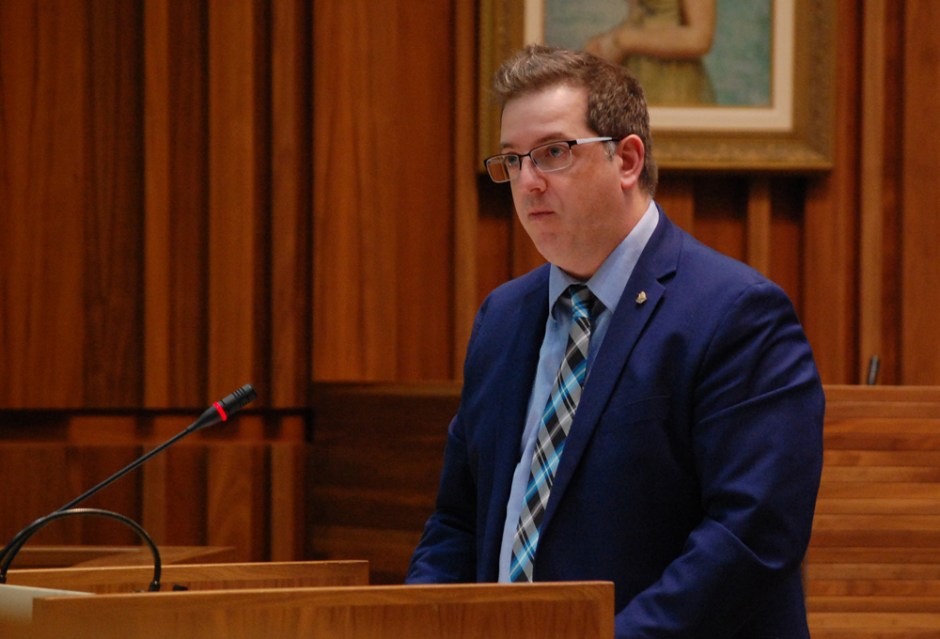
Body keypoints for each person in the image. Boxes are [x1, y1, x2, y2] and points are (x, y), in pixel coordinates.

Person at [406, 44, 824, 638]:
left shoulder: (736, 314)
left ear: (627, 159)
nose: (527, 183)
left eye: (552, 153)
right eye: (512, 160)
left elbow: (750, 537)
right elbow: (459, 521)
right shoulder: (502, 318)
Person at [584, 0, 716, 105]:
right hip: (635, 73)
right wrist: (604, 47)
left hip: (671, 79)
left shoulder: (626, 39)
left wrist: (624, 39)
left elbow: (699, 38)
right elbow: (640, 16)